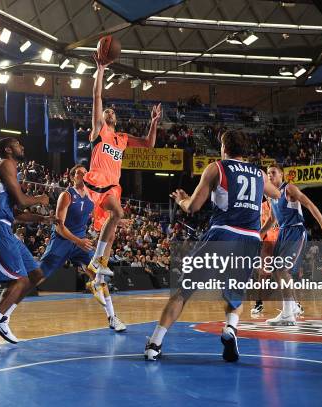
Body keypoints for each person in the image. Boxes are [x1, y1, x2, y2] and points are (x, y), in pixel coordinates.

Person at [144, 130, 281, 362]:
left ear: (224, 149)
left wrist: (181, 200)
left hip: (223, 234)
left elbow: (193, 207)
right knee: (235, 295)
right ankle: (230, 329)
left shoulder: (216, 168)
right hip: (250, 239)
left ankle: (154, 344)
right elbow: (276, 193)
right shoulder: (259, 174)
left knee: (183, 291)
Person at [0, 137, 55, 353]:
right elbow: (21, 200)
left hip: (5, 225)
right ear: (8, 149)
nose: (22, 147)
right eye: (18, 144)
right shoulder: (5, 163)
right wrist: (40, 199)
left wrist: (42, 219)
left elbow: (17, 213)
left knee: (35, 275)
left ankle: (3, 319)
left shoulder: (10, 171)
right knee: (20, 280)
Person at [84, 54, 162, 289]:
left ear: (115, 118)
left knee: (114, 225)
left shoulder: (123, 139)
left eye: (111, 111)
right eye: (105, 111)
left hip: (113, 185)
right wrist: (101, 69)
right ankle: (96, 262)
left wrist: (154, 122)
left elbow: (149, 144)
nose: (108, 112)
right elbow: (97, 96)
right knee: (118, 214)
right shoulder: (99, 131)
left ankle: (98, 278)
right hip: (98, 180)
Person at [40, 164, 126, 332]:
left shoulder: (92, 197)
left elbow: (104, 216)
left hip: (80, 243)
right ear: (73, 176)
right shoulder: (66, 195)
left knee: (99, 275)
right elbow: (59, 227)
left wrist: (118, 219)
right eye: (80, 173)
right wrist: (78, 241)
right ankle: (5, 313)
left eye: (87, 173)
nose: (85, 176)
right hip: (62, 240)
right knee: (39, 275)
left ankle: (112, 317)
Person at [260, 164, 322, 326]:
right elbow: (272, 220)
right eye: (268, 173)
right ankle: (292, 307)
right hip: (283, 232)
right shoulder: (271, 195)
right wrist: (259, 233)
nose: (270, 176)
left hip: (295, 231)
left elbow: (310, 205)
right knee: (275, 270)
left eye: (273, 173)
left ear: (281, 175)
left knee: (282, 269)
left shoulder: (289, 189)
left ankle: (288, 313)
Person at [250, 198, 280, 316]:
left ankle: (294, 304)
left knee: (284, 275)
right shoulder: (261, 207)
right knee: (262, 276)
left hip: (280, 244)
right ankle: (259, 303)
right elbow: (260, 226)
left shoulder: (281, 203)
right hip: (267, 244)